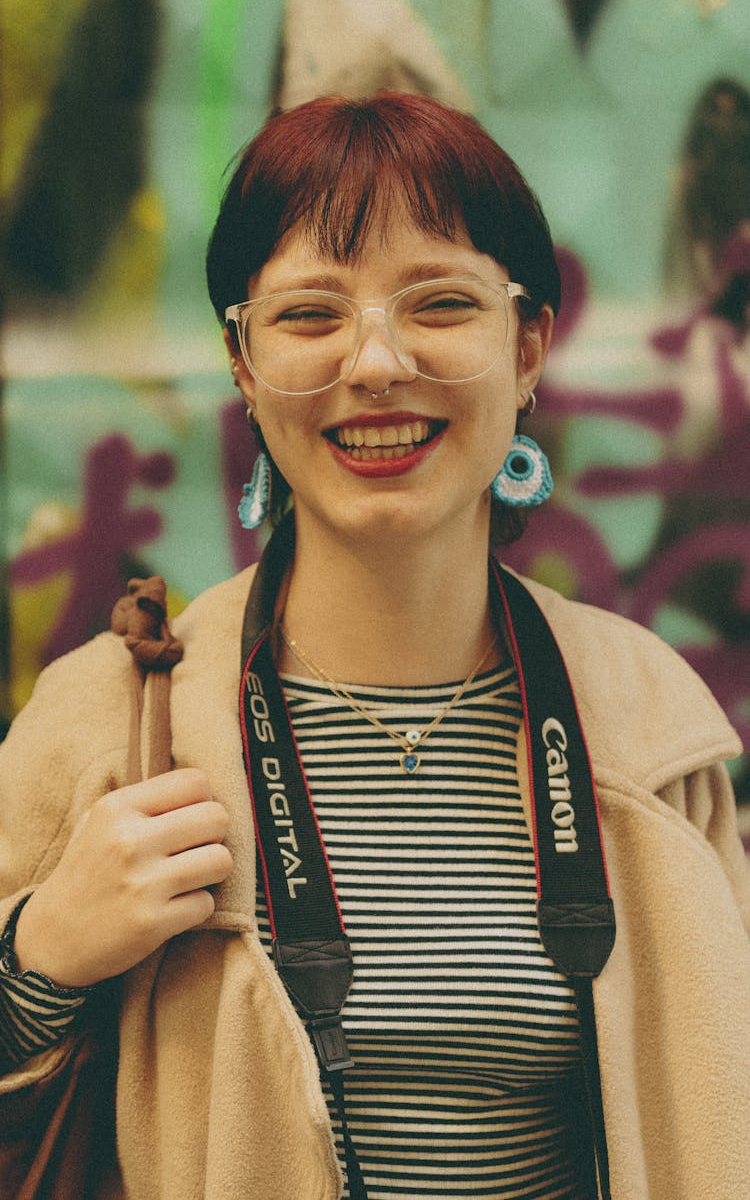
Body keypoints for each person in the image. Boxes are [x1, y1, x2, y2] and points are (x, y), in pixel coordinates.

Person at [1, 92, 749, 1200]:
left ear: (529, 344)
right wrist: (39, 961)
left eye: (440, 301)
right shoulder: (114, 720)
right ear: (243, 365)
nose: (378, 362)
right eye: (310, 315)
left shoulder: (646, 722)